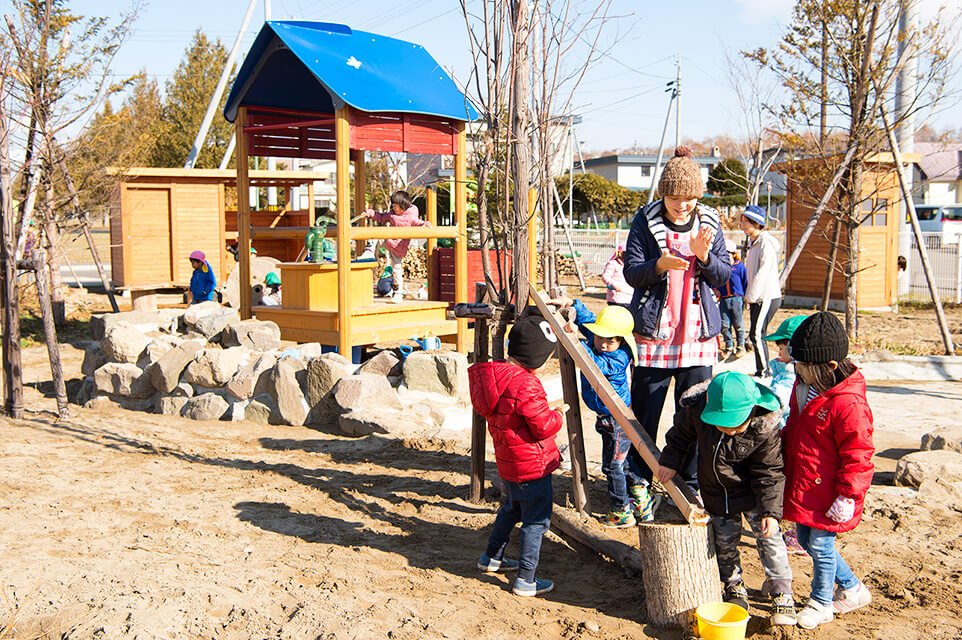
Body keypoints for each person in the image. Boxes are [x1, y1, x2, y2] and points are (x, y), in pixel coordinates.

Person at [623, 146, 732, 516]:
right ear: (662, 194)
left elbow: (724, 277)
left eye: (688, 198)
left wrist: (704, 256)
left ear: (697, 196)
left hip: (698, 337)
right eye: (674, 197)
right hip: (656, 335)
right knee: (645, 414)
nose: (681, 205)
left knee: (695, 414)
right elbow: (631, 272)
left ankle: (688, 485)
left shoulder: (711, 223)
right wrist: (658, 265)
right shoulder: (645, 220)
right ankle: (639, 481)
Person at [656, 371, 797, 626]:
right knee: (724, 542)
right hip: (716, 494)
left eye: (735, 424)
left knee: (769, 539)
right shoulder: (697, 410)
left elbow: (770, 473)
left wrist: (770, 512)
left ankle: (781, 592)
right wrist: (670, 462)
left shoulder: (764, 427)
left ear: (752, 410)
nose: (729, 431)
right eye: (722, 424)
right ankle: (734, 585)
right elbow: (680, 436)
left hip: (754, 495)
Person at [782, 312, 875, 629]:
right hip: (807, 483)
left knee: (821, 546)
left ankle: (821, 603)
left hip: (832, 491)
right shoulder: (804, 386)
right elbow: (794, 427)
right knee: (807, 541)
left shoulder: (848, 404)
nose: (796, 370)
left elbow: (859, 452)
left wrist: (849, 495)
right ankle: (852, 588)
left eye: (802, 366)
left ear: (829, 367)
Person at [468, 316, 568, 597]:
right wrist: (558, 415)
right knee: (536, 521)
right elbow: (542, 426)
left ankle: (491, 557)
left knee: (511, 508)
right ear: (536, 355)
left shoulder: (494, 378)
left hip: (509, 463)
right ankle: (526, 579)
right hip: (532, 465)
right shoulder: (527, 384)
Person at [552, 298, 640, 528]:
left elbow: (595, 364)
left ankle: (622, 510)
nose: (602, 343)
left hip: (617, 419)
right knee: (622, 462)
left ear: (621, 341)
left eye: (609, 341)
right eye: (599, 337)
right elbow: (590, 321)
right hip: (607, 419)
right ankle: (640, 498)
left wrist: (575, 338)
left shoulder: (619, 357)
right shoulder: (599, 340)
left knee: (613, 465)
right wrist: (573, 304)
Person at [365, 190, 431, 303]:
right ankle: (369, 251)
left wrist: (425, 224)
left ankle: (398, 293)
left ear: (404, 206)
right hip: (389, 242)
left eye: (397, 206)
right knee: (376, 235)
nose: (395, 209)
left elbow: (417, 222)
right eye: (393, 206)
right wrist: (371, 213)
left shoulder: (410, 216)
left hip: (399, 248)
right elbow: (381, 217)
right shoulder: (392, 214)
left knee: (397, 270)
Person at [741, 204, 782, 377]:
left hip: (765, 296)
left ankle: (764, 371)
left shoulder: (765, 242)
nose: (741, 225)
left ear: (756, 223)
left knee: (757, 334)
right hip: (758, 297)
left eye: (745, 222)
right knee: (756, 333)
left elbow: (763, 272)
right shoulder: (754, 243)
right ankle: (762, 369)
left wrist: (750, 296)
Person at [715, 238, 748, 360]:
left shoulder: (739, 266)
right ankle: (728, 345)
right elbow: (716, 279)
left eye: (727, 254)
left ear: (733, 254)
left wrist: (744, 296)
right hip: (723, 299)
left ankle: (741, 345)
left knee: (738, 324)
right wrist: (715, 288)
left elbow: (745, 281)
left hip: (736, 299)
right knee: (724, 325)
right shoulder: (720, 267)